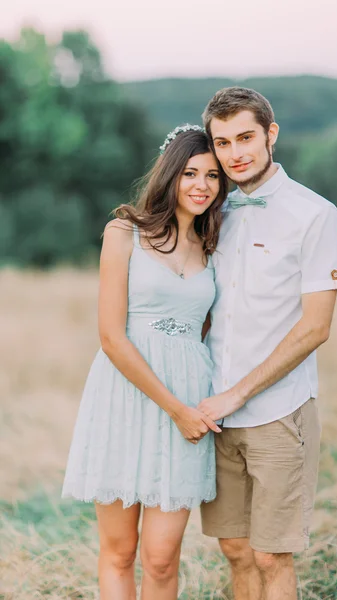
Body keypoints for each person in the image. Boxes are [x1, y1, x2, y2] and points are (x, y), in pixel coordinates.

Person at [62, 124, 228, 600]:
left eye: (213, 177)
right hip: (125, 395)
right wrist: (174, 407)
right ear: (170, 173)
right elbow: (112, 337)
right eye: (191, 173)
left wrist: (190, 405)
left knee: (160, 558)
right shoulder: (124, 232)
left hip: (189, 405)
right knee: (119, 551)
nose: (202, 185)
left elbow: (207, 330)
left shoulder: (214, 246)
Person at [198, 87, 337, 600]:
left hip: (278, 414)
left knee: (271, 554)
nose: (235, 153)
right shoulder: (210, 211)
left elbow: (315, 327)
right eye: (222, 143)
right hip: (214, 416)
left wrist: (237, 393)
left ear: (271, 134)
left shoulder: (314, 214)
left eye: (245, 137)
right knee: (236, 551)